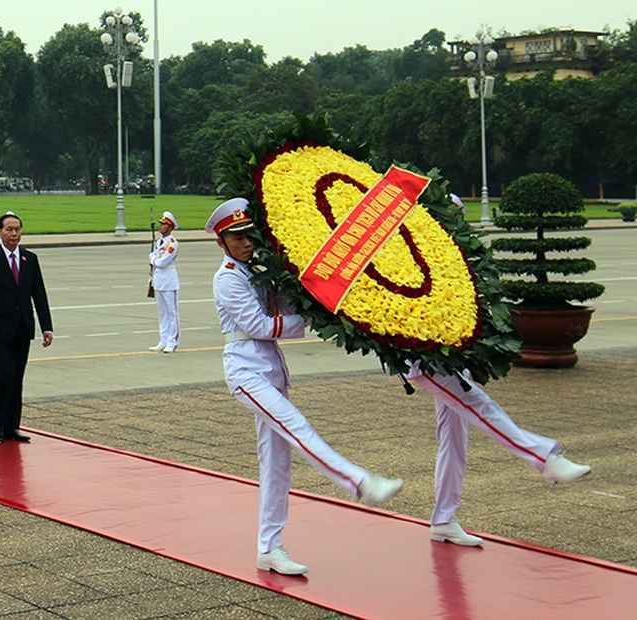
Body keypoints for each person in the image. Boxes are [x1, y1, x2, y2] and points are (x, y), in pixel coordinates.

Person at [206, 198, 403, 576]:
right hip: (246, 373)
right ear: (221, 243)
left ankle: (269, 548)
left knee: (277, 465)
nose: (246, 243)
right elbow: (263, 326)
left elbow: (284, 305)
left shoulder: (258, 270)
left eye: (249, 235)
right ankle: (360, 483)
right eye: (236, 238)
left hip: (271, 371)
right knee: (297, 426)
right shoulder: (228, 278)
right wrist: (309, 321)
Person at [405, 363, 592, 546]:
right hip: (427, 360)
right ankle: (544, 459)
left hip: (447, 358)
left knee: (453, 439)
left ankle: (443, 519)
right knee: (478, 404)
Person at [0, 211, 53, 444]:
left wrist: (46, 327)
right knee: (4, 375)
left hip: (22, 328)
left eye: (17, 229)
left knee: (17, 377)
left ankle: (12, 426)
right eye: (9, 229)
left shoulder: (30, 258)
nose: (14, 233)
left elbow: (39, 294)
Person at [148, 211, 181, 354]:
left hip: (169, 280)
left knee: (172, 313)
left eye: (164, 224)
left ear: (170, 227)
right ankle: (163, 339)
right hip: (159, 280)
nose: (160, 226)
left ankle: (172, 342)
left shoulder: (172, 244)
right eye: (161, 224)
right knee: (162, 313)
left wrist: (152, 259)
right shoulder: (159, 242)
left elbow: (161, 262)